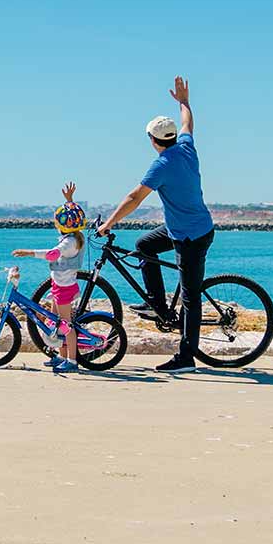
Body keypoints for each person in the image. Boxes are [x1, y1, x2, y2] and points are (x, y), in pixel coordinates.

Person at [96, 75, 213, 371]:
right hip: (184, 228)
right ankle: (157, 304)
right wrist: (184, 102)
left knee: (190, 298)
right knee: (144, 245)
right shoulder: (185, 147)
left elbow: (135, 198)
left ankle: (187, 358)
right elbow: (187, 124)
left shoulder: (162, 164)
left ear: (152, 140)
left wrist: (108, 222)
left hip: (192, 236)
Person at [11, 182, 87, 373]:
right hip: (58, 286)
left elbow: (52, 254)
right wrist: (69, 201)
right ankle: (61, 356)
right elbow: (73, 218)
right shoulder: (73, 237)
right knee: (56, 323)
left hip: (64, 289)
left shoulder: (69, 242)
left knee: (66, 326)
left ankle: (72, 361)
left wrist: (28, 253)